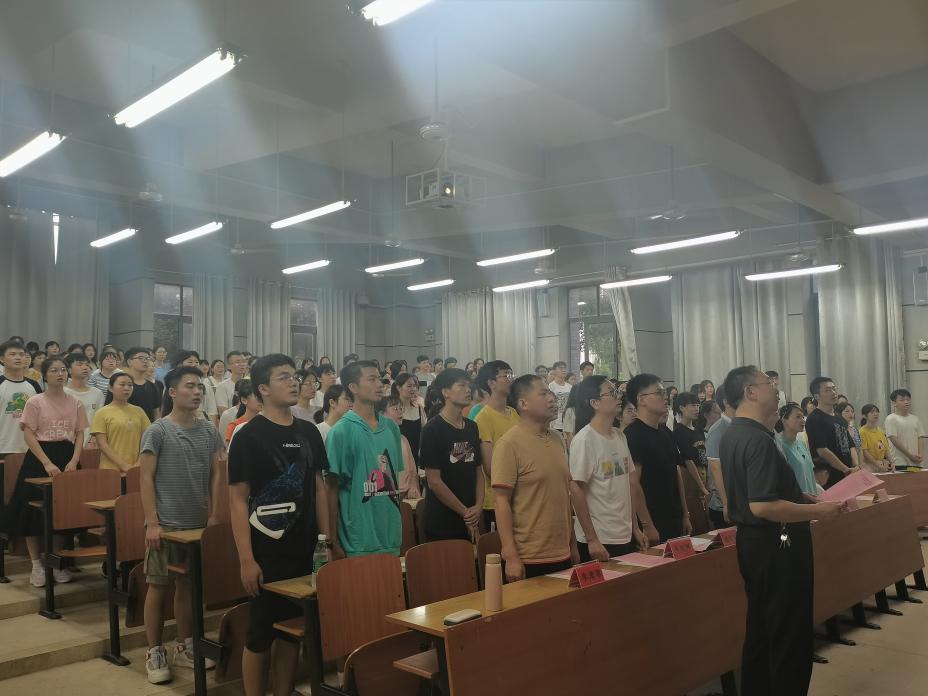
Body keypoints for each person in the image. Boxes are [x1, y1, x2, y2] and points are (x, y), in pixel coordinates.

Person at [719, 365, 841, 696]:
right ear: (750, 392)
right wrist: (817, 511)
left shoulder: (737, 433)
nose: (775, 388)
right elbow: (762, 505)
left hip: (756, 544)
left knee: (762, 631)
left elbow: (762, 492)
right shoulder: (756, 439)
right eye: (768, 383)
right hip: (778, 544)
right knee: (789, 635)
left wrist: (801, 498)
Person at [228, 354, 329, 696]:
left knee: (291, 632)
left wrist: (327, 541)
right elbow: (237, 500)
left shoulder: (309, 431)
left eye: (294, 376)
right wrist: (246, 559)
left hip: (307, 547)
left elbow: (319, 488)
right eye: (283, 377)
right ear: (263, 389)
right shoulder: (247, 436)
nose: (294, 382)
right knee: (260, 634)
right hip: (266, 550)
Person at [139, 366, 223, 684]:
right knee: (158, 586)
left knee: (187, 587)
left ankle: (184, 646)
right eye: (190, 386)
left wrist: (213, 515)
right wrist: (152, 523)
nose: (197, 391)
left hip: (196, 525)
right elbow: (145, 478)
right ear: (173, 392)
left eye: (200, 386)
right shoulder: (158, 430)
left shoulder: (209, 431)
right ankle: (154, 650)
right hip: (166, 524)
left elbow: (216, 475)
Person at [3, 355, 85, 587]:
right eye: (54, 370)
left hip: (67, 455)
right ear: (45, 375)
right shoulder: (35, 401)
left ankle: (56, 562)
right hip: (39, 457)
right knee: (32, 514)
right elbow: (29, 434)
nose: (60, 374)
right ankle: (36, 565)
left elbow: (79, 433)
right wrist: (47, 463)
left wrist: (74, 460)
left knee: (63, 512)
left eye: (63, 370)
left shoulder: (75, 402)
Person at [493, 375, 578, 581]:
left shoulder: (557, 439)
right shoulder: (509, 444)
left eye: (551, 393)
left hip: (562, 550)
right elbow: (501, 501)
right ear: (523, 404)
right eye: (543, 394)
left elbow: (564, 495)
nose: (552, 398)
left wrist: (573, 545)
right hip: (529, 556)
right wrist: (510, 555)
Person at [325, 360, 404, 558]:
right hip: (357, 540)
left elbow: (394, 479)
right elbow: (331, 489)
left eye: (380, 378)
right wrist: (332, 540)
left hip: (391, 536)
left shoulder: (392, 428)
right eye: (372, 379)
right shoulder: (341, 431)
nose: (380, 384)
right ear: (353, 387)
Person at [569, 377, 648, 562]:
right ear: (595, 403)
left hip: (624, 533)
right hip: (600, 538)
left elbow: (630, 484)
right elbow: (575, 490)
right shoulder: (584, 440)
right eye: (612, 392)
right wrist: (592, 539)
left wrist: (635, 528)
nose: (619, 395)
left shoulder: (620, 436)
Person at [623, 374, 691, 544]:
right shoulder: (633, 435)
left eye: (665, 393)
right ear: (642, 399)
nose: (665, 397)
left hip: (674, 517)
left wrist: (685, 514)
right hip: (652, 521)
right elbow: (633, 483)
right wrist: (647, 524)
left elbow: (676, 474)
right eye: (660, 393)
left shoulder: (665, 432)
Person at [420, 369, 483, 542]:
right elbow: (434, 481)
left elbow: (478, 471)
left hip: (472, 515)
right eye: (461, 385)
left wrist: (478, 506)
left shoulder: (472, 427)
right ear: (445, 392)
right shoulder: (432, 429)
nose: (468, 390)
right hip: (443, 519)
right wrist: (465, 512)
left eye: (469, 386)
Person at [473, 361, 520, 531]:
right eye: (506, 375)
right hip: (496, 500)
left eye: (511, 374)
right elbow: (490, 467)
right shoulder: (483, 418)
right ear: (491, 383)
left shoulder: (514, 413)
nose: (510, 379)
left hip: (520, 497)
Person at [91, 372, 151, 472]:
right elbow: (102, 444)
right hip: (110, 470)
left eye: (130, 385)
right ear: (110, 388)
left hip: (137, 469)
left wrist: (138, 463)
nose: (127, 388)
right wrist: (123, 465)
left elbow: (147, 439)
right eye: (122, 384)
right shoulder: (101, 413)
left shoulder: (139, 411)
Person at [804, 377, 856, 488]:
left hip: (848, 474)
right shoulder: (814, 419)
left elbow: (850, 444)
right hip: (828, 477)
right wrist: (845, 469)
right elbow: (822, 450)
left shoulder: (839, 418)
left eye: (834, 388)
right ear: (817, 396)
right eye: (827, 390)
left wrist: (856, 465)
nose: (833, 392)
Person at [0, 340, 43, 457]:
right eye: (12, 354)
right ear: (2, 359)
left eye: (22, 354)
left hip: (31, 448)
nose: (18, 358)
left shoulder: (34, 385)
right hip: (3, 447)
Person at [672, 392, 711, 502]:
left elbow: (704, 454)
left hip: (705, 472)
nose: (696, 409)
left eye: (698, 405)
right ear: (682, 408)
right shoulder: (678, 431)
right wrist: (702, 487)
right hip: (691, 476)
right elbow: (688, 460)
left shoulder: (698, 429)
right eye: (693, 405)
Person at [775, 403, 819, 497]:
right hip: (796, 500)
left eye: (803, 417)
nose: (803, 420)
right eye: (798, 417)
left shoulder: (802, 443)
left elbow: (810, 474)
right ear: (784, 420)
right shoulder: (780, 446)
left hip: (812, 499)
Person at [105, 347, 161, 422]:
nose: (145, 361)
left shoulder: (152, 386)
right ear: (129, 362)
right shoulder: (119, 384)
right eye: (141, 358)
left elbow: (156, 413)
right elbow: (108, 409)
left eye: (147, 358)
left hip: (148, 427)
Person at [383, 395, 422, 500]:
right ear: (381, 413)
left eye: (401, 408)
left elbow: (412, 469)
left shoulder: (403, 439)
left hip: (406, 494)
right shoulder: (376, 439)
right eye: (395, 409)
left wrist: (413, 487)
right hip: (385, 495)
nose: (400, 412)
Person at [706, 391, 735, 528]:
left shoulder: (739, 425)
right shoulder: (718, 430)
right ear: (726, 402)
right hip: (724, 505)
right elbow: (715, 469)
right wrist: (726, 503)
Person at [64, 352, 105, 447]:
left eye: (87, 364)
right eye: (79, 364)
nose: (85, 367)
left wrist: (94, 438)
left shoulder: (97, 393)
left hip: (91, 443)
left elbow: (100, 420)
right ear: (69, 370)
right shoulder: (62, 392)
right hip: (66, 443)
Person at [885, 388, 925, 468]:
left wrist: (920, 455)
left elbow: (920, 437)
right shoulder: (891, 418)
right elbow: (894, 440)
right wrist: (910, 456)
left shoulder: (915, 419)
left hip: (916, 462)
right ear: (894, 403)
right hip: (899, 462)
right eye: (902, 400)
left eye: (908, 399)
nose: (906, 402)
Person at [393, 374, 426, 472]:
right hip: (400, 458)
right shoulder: (392, 411)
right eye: (409, 386)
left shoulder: (419, 408)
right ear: (399, 388)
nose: (413, 389)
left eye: (414, 386)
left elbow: (424, 432)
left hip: (417, 456)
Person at [859, 404, 893, 473]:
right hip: (869, 465)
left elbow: (886, 450)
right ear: (864, 416)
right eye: (872, 412)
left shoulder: (881, 431)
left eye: (877, 411)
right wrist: (878, 465)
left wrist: (892, 462)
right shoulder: (862, 432)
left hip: (881, 464)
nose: (875, 414)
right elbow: (865, 452)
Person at [226, 381, 262, 446]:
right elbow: (230, 451)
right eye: (257, 396)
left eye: (262, 396)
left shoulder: (268, 422)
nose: (261, 399)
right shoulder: (234, 426)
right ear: (244, 400)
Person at [547, 361, 572, 433]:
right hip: (555, 423)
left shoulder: (569, 387)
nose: (563, 370)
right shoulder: (551, 386)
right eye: (561, 368)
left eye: (565, 368)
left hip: (567, 422)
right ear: (554, 371)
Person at [838, 401, 863, 470]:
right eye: (847, 411)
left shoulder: (855, 429)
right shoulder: (839, 429)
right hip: (845, 465)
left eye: (852, 411)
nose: (850, 413)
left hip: (857, 464)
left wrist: (860, 465)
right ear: (839, 413)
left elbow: (860, 449)